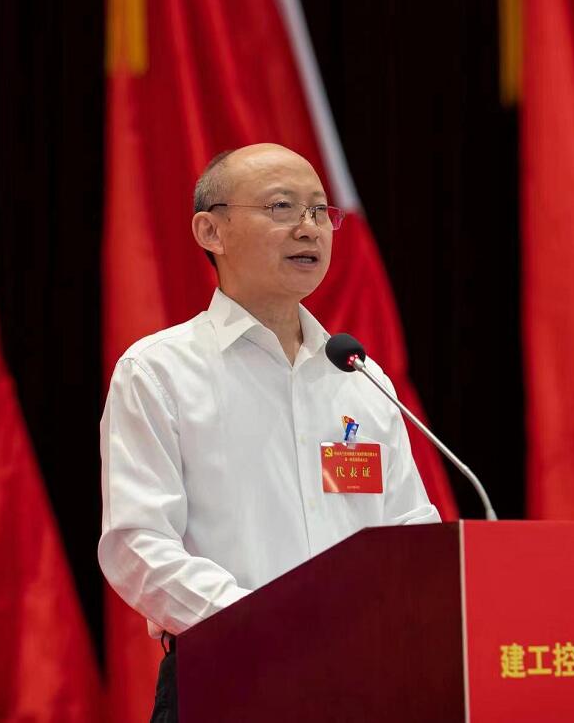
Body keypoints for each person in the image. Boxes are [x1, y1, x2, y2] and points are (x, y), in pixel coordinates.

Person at [98, 143, 441, 723]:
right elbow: (138, 545)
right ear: (211, 231)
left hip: (362, 681)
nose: (309, 228)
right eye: (282, 207)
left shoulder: (357, 375)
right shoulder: (159, 371)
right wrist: (265, 625)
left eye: (320, 211)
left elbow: (409, 530)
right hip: (228, 675)